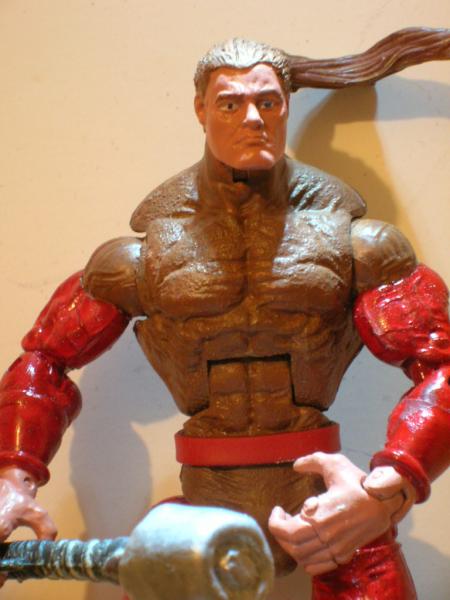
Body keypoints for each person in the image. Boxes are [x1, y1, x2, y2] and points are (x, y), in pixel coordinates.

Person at [0, 35, 449, 599]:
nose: (252, 119)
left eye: (268, 102)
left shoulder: (359, 245)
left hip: (330, 505)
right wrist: (13, 478)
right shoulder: (140, 258)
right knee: (159, 566)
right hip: (202, 501)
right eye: (230, 103)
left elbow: (442, 366)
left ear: (285, 106)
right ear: (201, 110)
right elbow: (44, 360)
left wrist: (390, 486)